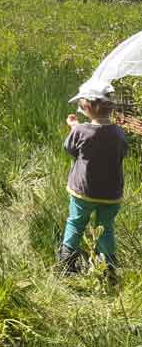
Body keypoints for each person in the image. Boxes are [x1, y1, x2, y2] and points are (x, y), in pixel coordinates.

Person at [58, 83, 128, 277]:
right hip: (111, 194)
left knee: (76, 223)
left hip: (83, 191)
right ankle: (107, 269)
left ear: (87, 107)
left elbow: (71, 149)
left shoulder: (80, 131)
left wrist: (74, 127)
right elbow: (122, 153)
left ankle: (67, 265)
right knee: (106, 228)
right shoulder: (119, 134)